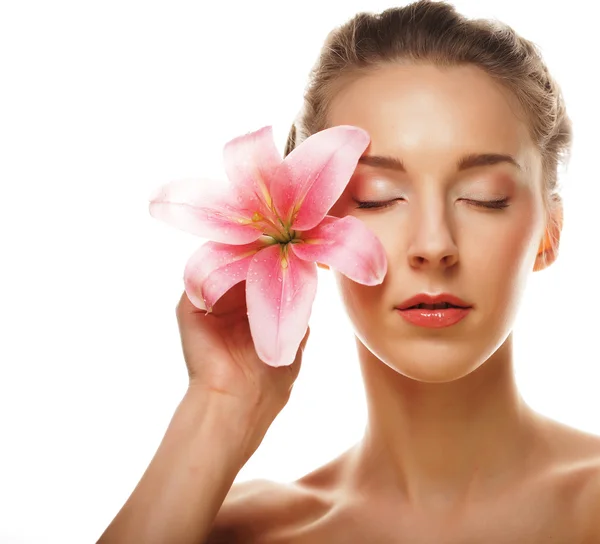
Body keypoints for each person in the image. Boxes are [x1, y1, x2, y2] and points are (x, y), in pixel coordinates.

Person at [98, 1, 600, 542]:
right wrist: (220, 409)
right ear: (312, 229)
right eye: (377, 198)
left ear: (549, 232)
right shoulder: (231, 529)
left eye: (485, 198)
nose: (434, 246)